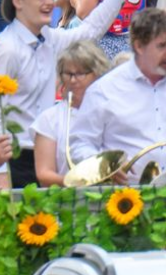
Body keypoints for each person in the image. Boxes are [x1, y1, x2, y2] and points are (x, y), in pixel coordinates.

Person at [0, 0, 135, 187]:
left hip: (44, 154)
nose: (50, 2)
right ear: (18, 1)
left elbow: (91, 29)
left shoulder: (49, 38)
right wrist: (2, 179)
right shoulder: (5, 49)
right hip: (14, 160)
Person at [69, 9, 166, 180]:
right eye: (162, 45)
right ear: (139, 46)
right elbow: (79, 144)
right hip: (127, 197)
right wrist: (104, 167)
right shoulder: (104, 90)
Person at [31, 40, 112, 187]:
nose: (73, 80)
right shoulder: (49, 119)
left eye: (80, 74)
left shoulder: (112, 112)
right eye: (68, 74)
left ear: (97, 73)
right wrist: (77, 182)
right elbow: (44, 173)